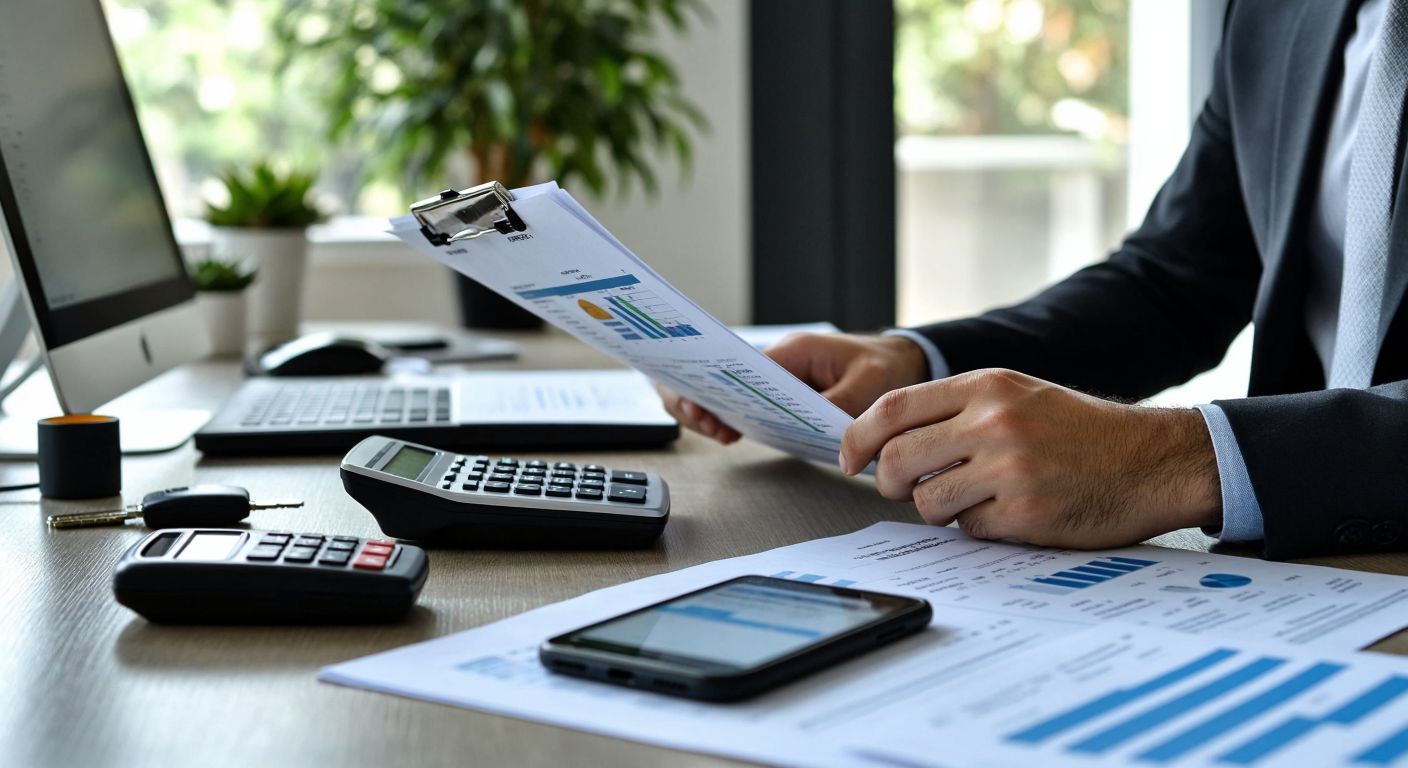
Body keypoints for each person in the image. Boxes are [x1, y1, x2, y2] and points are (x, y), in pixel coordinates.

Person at [658, 0, 1408, 561]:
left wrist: (1181, 462)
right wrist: (918, 365)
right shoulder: (1280, 12)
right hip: (1303, 586)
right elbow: (1173, 282)